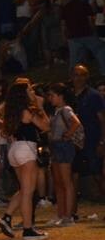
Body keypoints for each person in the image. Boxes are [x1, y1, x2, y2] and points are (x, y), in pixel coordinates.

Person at [0, 80, 51, 240]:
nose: (32, 91)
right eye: (29, 89)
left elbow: (4, 133)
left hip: (14, 149)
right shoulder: (28, 110)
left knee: (24, 189)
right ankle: (28, 229)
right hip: (26, 148)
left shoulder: (11, 111)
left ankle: (7, 217)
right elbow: (46, 126)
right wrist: (39, 105)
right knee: (29, 192)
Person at [45, 83, 82, 226]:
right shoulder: (56, 110)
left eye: (52, 95)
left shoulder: (66, 109)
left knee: (66, 182)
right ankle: (61, 214)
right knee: (59, 182)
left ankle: (68, 215)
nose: (50, 98)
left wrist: (68, 135)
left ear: (60, 96)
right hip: (57, 146)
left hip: (63, 146)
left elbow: (76, 122)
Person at [69, 64, 105, 203]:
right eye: (76, 75)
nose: (79, 78)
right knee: (74, 174)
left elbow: (102, 120)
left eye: (82, 75)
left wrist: (102, 141)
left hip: (91, 140)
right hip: (74, 141)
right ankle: (73, 209)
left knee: (97, 173)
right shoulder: (69, 95)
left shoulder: (94, 95)